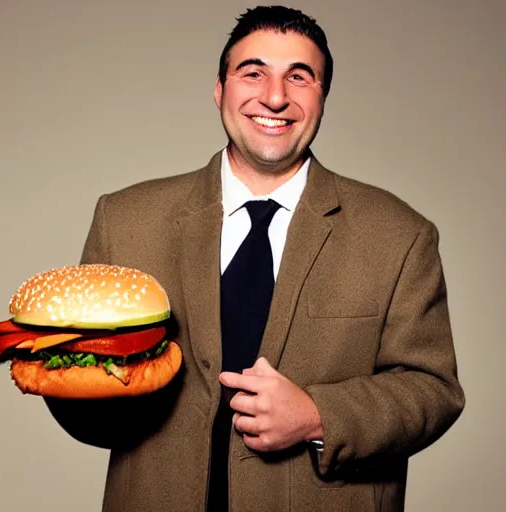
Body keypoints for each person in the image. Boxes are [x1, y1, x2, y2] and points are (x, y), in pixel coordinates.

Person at [45, 6, 464, 511]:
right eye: (253, 73)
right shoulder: (125, 219)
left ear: (323, 98)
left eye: (299, 77)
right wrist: (67, 373)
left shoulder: (399, 235)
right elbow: (86, 400)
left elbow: (433, 389)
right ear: (220, 90)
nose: (274, 96)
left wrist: (317, 414)